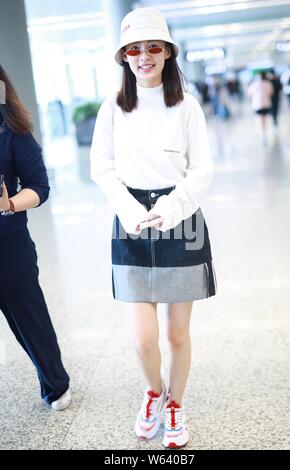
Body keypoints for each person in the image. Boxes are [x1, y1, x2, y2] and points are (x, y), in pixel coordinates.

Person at [90, 7, 216, 449]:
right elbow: (102, 170)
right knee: (144, 340)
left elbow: (202, 171)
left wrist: (172, 207)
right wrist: (130, 210)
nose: (144, 56)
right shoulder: (113, 107)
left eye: (153, 47)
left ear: (167, 53)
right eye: (135, 49)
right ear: (124, 56)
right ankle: (153, 393)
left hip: (180, 219)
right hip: (130, 223)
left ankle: (176, 405)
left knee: (176, 333)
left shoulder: (187, 105)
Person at [0, 64, 71, 411]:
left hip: (8, 246)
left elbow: (39, 188)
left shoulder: (13, 132)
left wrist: (9, 203)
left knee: (30, 320)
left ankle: (55, 383)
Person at [248, 71, 274, 144]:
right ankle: (264, 134)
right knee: (265, 120)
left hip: (257, 105)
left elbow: (249, 93)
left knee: (259, 121)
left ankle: (262, 136)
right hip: (266, 104)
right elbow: (271, 93)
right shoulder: (268, 83)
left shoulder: (254, 84)